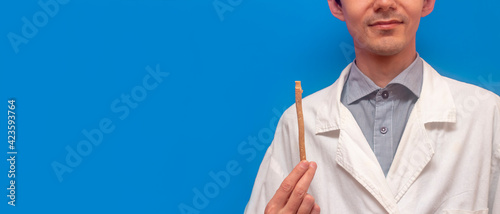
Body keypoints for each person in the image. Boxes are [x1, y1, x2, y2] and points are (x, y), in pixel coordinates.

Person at [244, 0, 500, 213]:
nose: (385, 3)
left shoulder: (487, 115)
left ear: (428, 1)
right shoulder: (298, 123)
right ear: (336, 5)